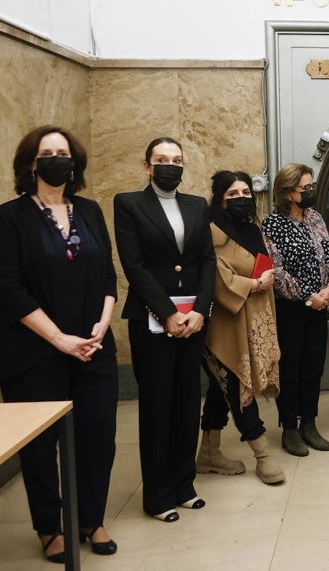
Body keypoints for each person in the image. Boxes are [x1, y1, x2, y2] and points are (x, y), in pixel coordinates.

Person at [0, 126, 119, 561]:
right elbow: (9, 289)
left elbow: (107, 276)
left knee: (97, 437)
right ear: (32, 163)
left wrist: (101, 326)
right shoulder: (8, 217)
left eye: (63, 153)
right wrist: (60, 339)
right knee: (41, 447)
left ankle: (90, 518)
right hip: (33, 351)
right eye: (47, 153)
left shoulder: (89, 210)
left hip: (94, 347)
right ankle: (51, 528)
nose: (56, 160)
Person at [114, 137, 216, 523]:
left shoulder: (196, 205)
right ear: (147, 166)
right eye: (161, 160)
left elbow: (207, 261)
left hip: (193, 321)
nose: (169, 166)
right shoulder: (129, 204)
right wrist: (167, 312)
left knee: (189, 402)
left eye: (176, 160)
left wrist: (201, 311)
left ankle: (183, 484)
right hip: (152, 320)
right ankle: (157, 495)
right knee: (158, 405)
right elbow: (133, 266)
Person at [199, 170, 284, 484]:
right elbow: (217, 276)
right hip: (225, 325)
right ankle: (263, 456)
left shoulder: (252, 228)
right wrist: (255, 283)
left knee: (220, 389)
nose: (241, 199)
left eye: (246, 193)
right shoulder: (212, 230)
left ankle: (208, 453)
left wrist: (267, 278)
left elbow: (259, 261)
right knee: (237, 385)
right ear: (220, 198)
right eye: (232, 194)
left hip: (253, 316)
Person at [261, 163, 329, 456]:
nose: (310, 192)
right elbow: (276, 271)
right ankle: (290, 429)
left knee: (313, 370)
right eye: (304, 188)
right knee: (290, 371)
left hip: (320, 307)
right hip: (291, 310)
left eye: (311, 186)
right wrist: (308, 296)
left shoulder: (316, 218)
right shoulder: (272, 224)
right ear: (287, 192)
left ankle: (310, 423)